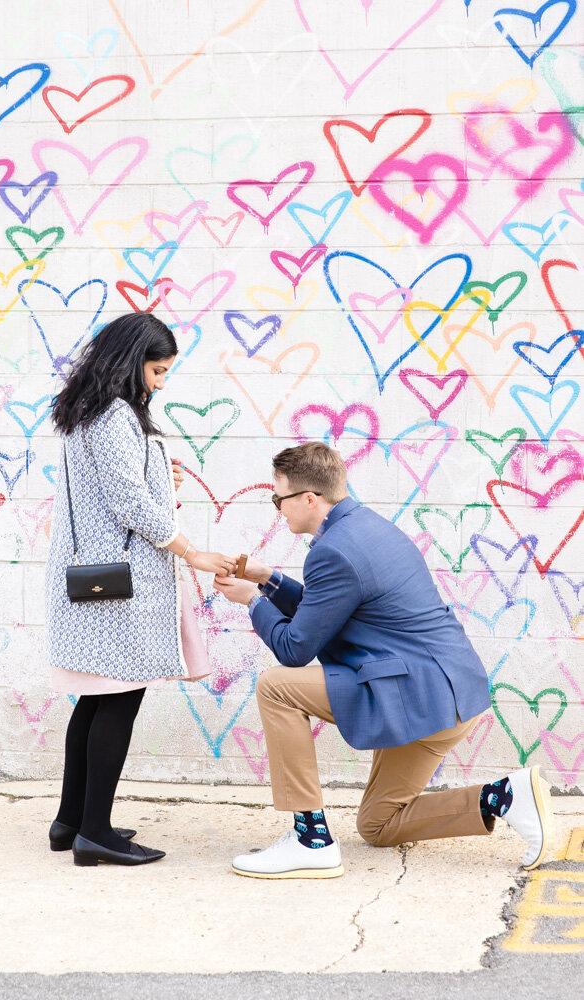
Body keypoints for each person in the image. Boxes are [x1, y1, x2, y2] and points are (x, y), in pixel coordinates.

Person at [214, 442, 554, 879]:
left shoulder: (331, 551)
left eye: (278, 498)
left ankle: (309, 838)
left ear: (309, 499)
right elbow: (327, 612)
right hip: (445, 696)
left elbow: (295, 649)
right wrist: (268, 580)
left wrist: (251, 602)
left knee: (277, 687)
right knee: (378, 824)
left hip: (416, 692)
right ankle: (503, 796)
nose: (277, 509)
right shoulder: (366, 527)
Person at [45, 313, 236, 867]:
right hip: (121, 585)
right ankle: (96, 833)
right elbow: (128, 503)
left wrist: (160, 476)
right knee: (120, 699)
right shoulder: (112, 416)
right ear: (130, 361)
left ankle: (73, 821)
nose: (159, 381)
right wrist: (191, 551)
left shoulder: (93, 412)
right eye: (157, 370)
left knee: (98, 697)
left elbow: (118, 486)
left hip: (104, 576)